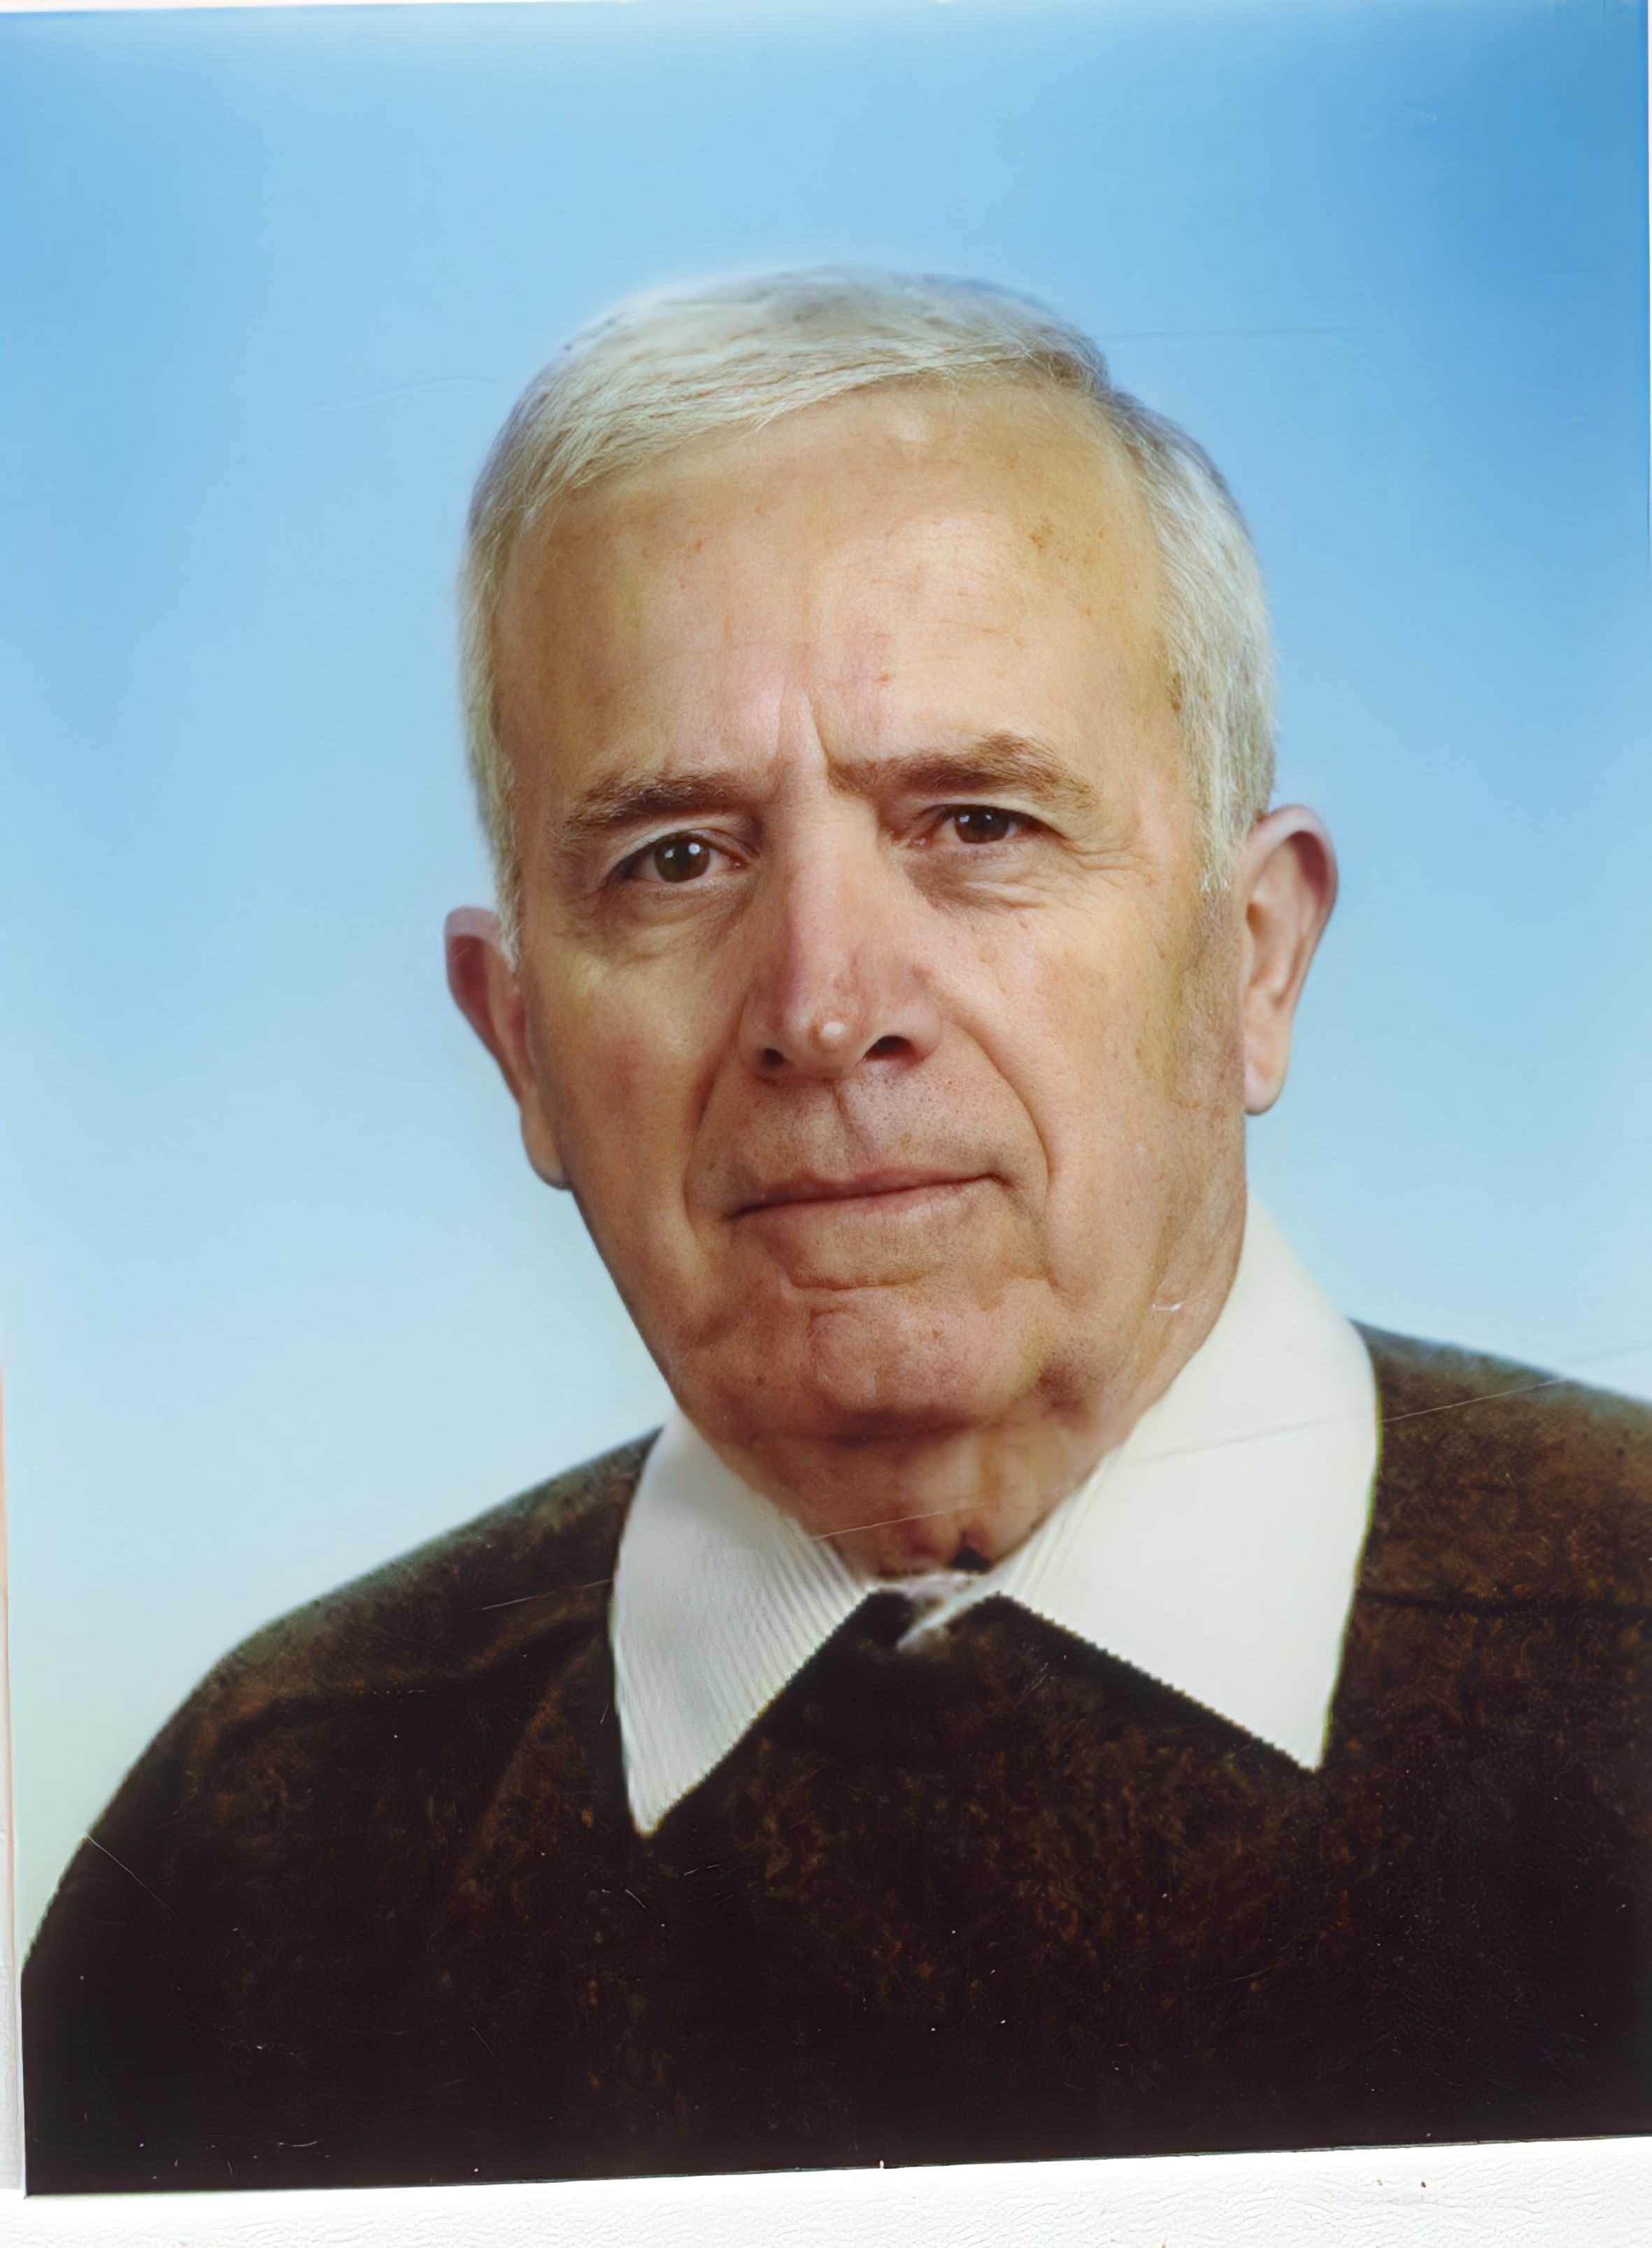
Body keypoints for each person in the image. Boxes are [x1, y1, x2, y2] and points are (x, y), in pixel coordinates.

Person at [23, 271, 1652, 2193]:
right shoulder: (255, 1848)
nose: (822, 1005)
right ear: (520, 1045)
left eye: (976, 824)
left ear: (1252, 961)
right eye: (675, 859)